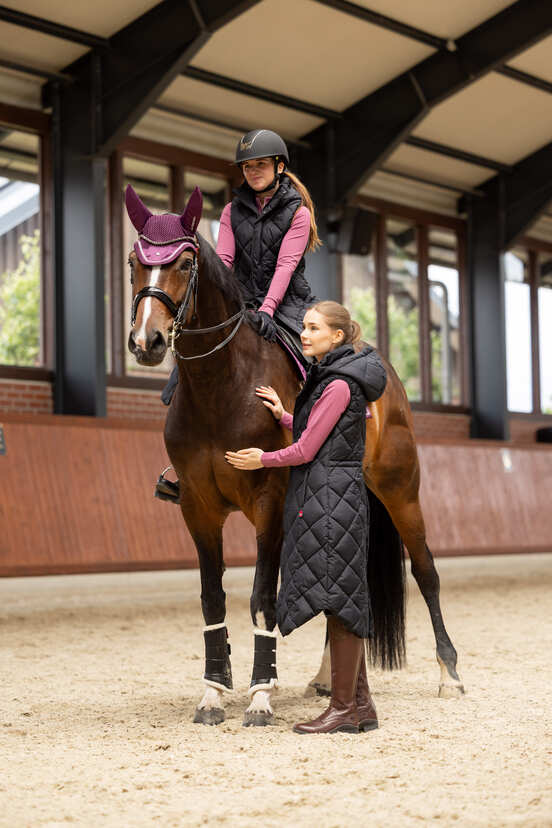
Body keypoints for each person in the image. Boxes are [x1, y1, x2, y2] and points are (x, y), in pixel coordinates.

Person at [225, 301, 387, 734]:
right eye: (305, 326)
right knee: (343, 599)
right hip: (329, 496)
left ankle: (341, 709)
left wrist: (262, 459)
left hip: (331, 498)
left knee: (340, 603)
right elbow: (319, 430)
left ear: (337, 336)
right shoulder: (334, 379)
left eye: (314, 328)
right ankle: (361, 705)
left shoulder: (337, 385)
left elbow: (306, 450)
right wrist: (282, 414)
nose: (304, 332)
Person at [156, 128, 321, 503]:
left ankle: (315, 444)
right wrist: (233, 303)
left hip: (288, 304)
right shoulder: (232, 210)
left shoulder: (298, 212)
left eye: (260, 165)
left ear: (279, 167)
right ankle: (187, 467)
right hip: (242, 301)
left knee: (312, 361)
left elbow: (285, 266)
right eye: (247, 167)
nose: (253, 172)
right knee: (193, 359)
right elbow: (226, 261)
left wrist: (267, 310)